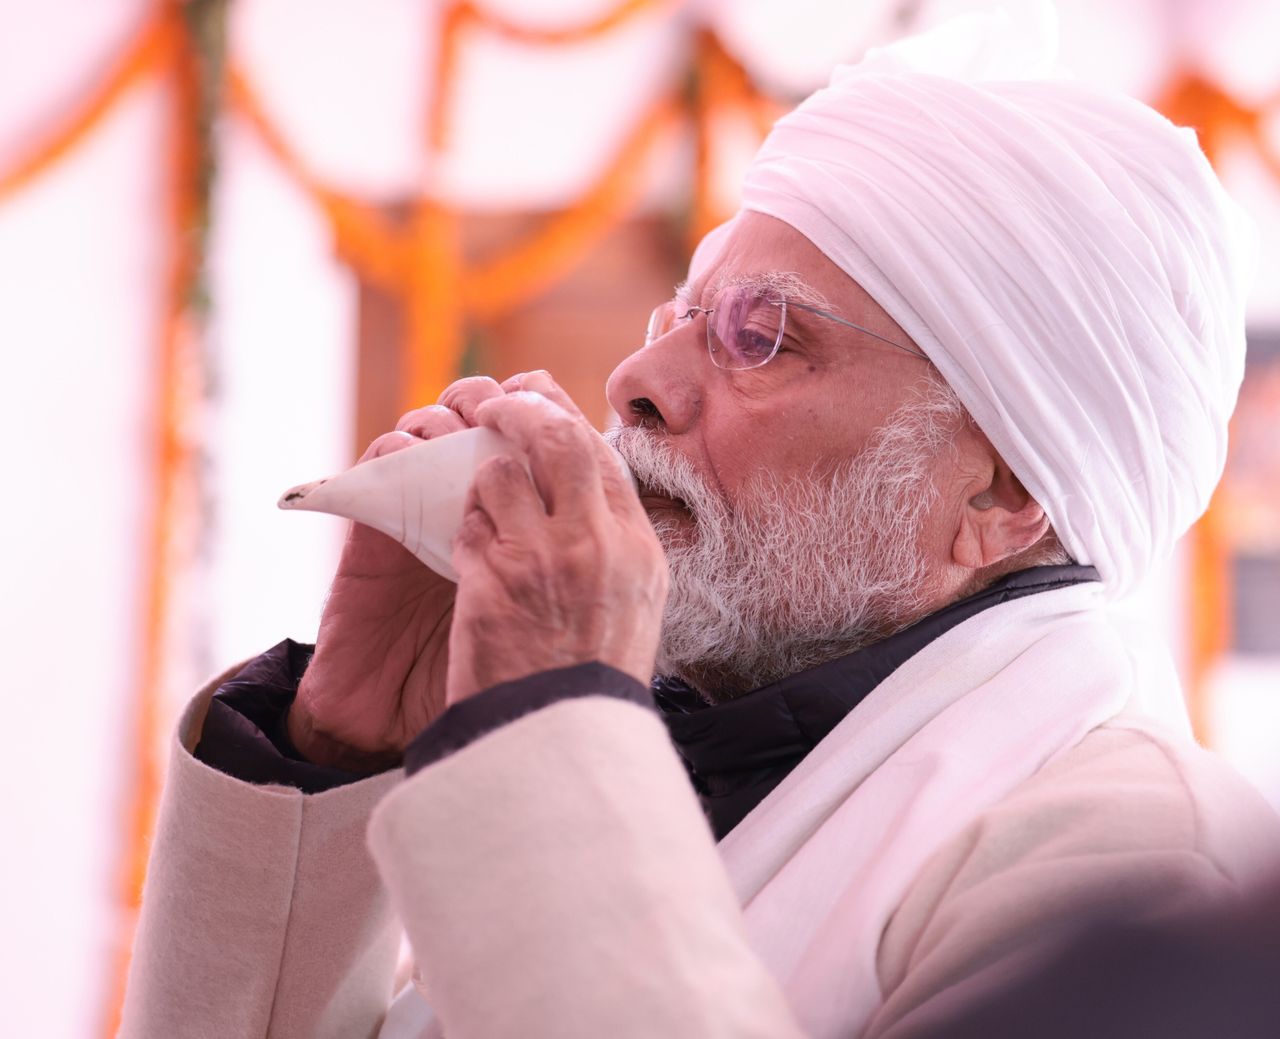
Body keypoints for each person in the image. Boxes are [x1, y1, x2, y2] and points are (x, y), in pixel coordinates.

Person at [120, 12, 1280, 1039]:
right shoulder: (707, 756)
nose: (634, 377)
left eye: (761, 336)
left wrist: (555, 727)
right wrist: (339, 752)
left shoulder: (1138, 864)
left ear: (1000, 492)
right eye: (678, 315)